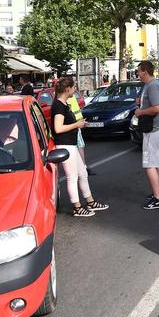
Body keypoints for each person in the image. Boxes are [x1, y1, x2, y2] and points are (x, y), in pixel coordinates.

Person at [51, 78, 108, 218]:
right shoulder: (59, 105)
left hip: (70, 144)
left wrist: (79, 123)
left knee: (83, 173)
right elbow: (58, 128)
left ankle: (90, 201)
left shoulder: (64, 104)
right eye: (73, 87)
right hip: (65, 144)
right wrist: (77, 125)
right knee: (72, 176)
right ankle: (77, 207)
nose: (75, 89)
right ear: (67, 89)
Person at [135, 61, 159, 210]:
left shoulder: (153, 86)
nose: (137, 74)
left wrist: (140, 112)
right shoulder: (149, 86)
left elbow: (156, 107)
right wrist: (141, 103)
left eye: (138, 72)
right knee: (157, 162)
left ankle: (158, 199)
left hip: (154, 130)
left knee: (149, 164)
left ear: (145, 72)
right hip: (157, 128)